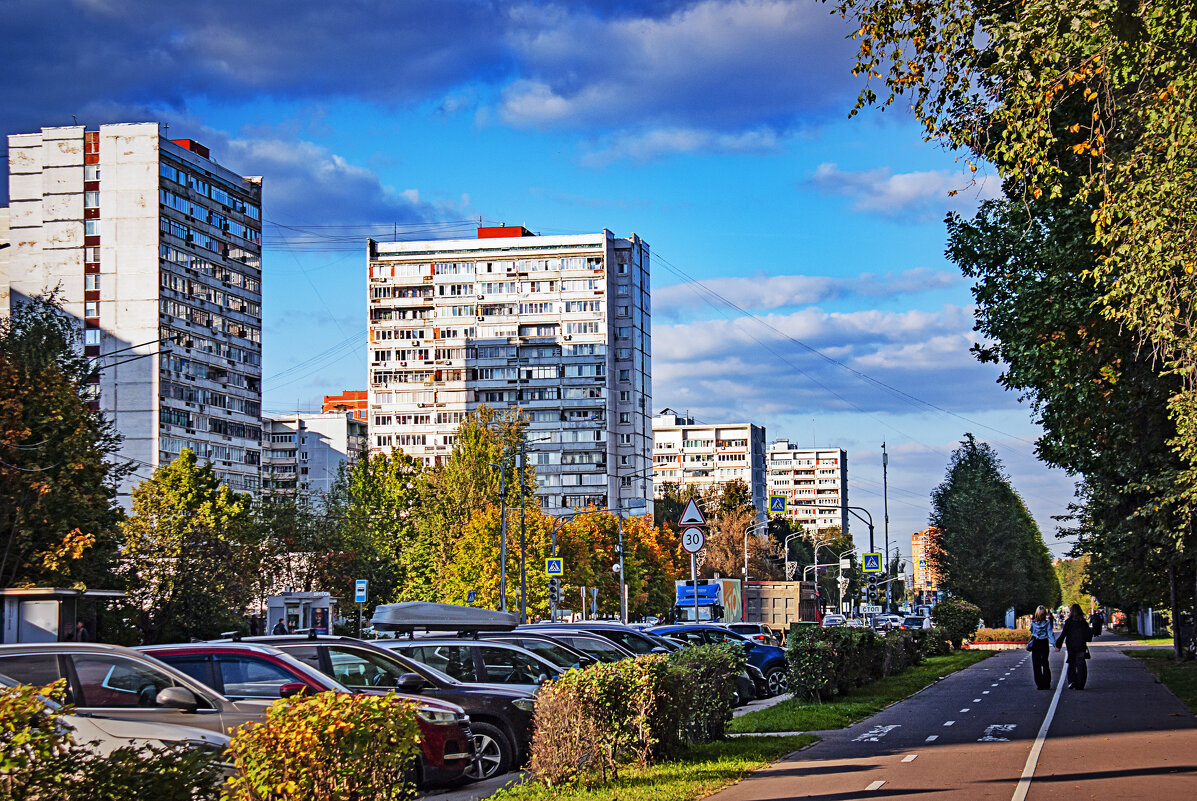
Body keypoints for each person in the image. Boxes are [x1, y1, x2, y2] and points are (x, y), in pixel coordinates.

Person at [1055, 603, 1093, 689]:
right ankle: (1081, 684)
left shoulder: (1069, 622)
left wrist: (1058, 645)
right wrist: (1086, 639)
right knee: (1081, 664)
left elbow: (1063, 634)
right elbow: (1088, 633)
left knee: (1072, 663)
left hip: (1071, 645)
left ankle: (1072, 681)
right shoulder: (1083, 622)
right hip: (1081, 645)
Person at [1028, 605, 1054, 690]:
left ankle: (1039, 684)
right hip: (1044, 643)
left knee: (1036, 664)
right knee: (1045, 663)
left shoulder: (1033, 623)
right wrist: (1054, 644)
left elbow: (1031, 631)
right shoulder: (1047, 623)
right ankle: (1047, 683)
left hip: (1036, 643)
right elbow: (1050, 633)